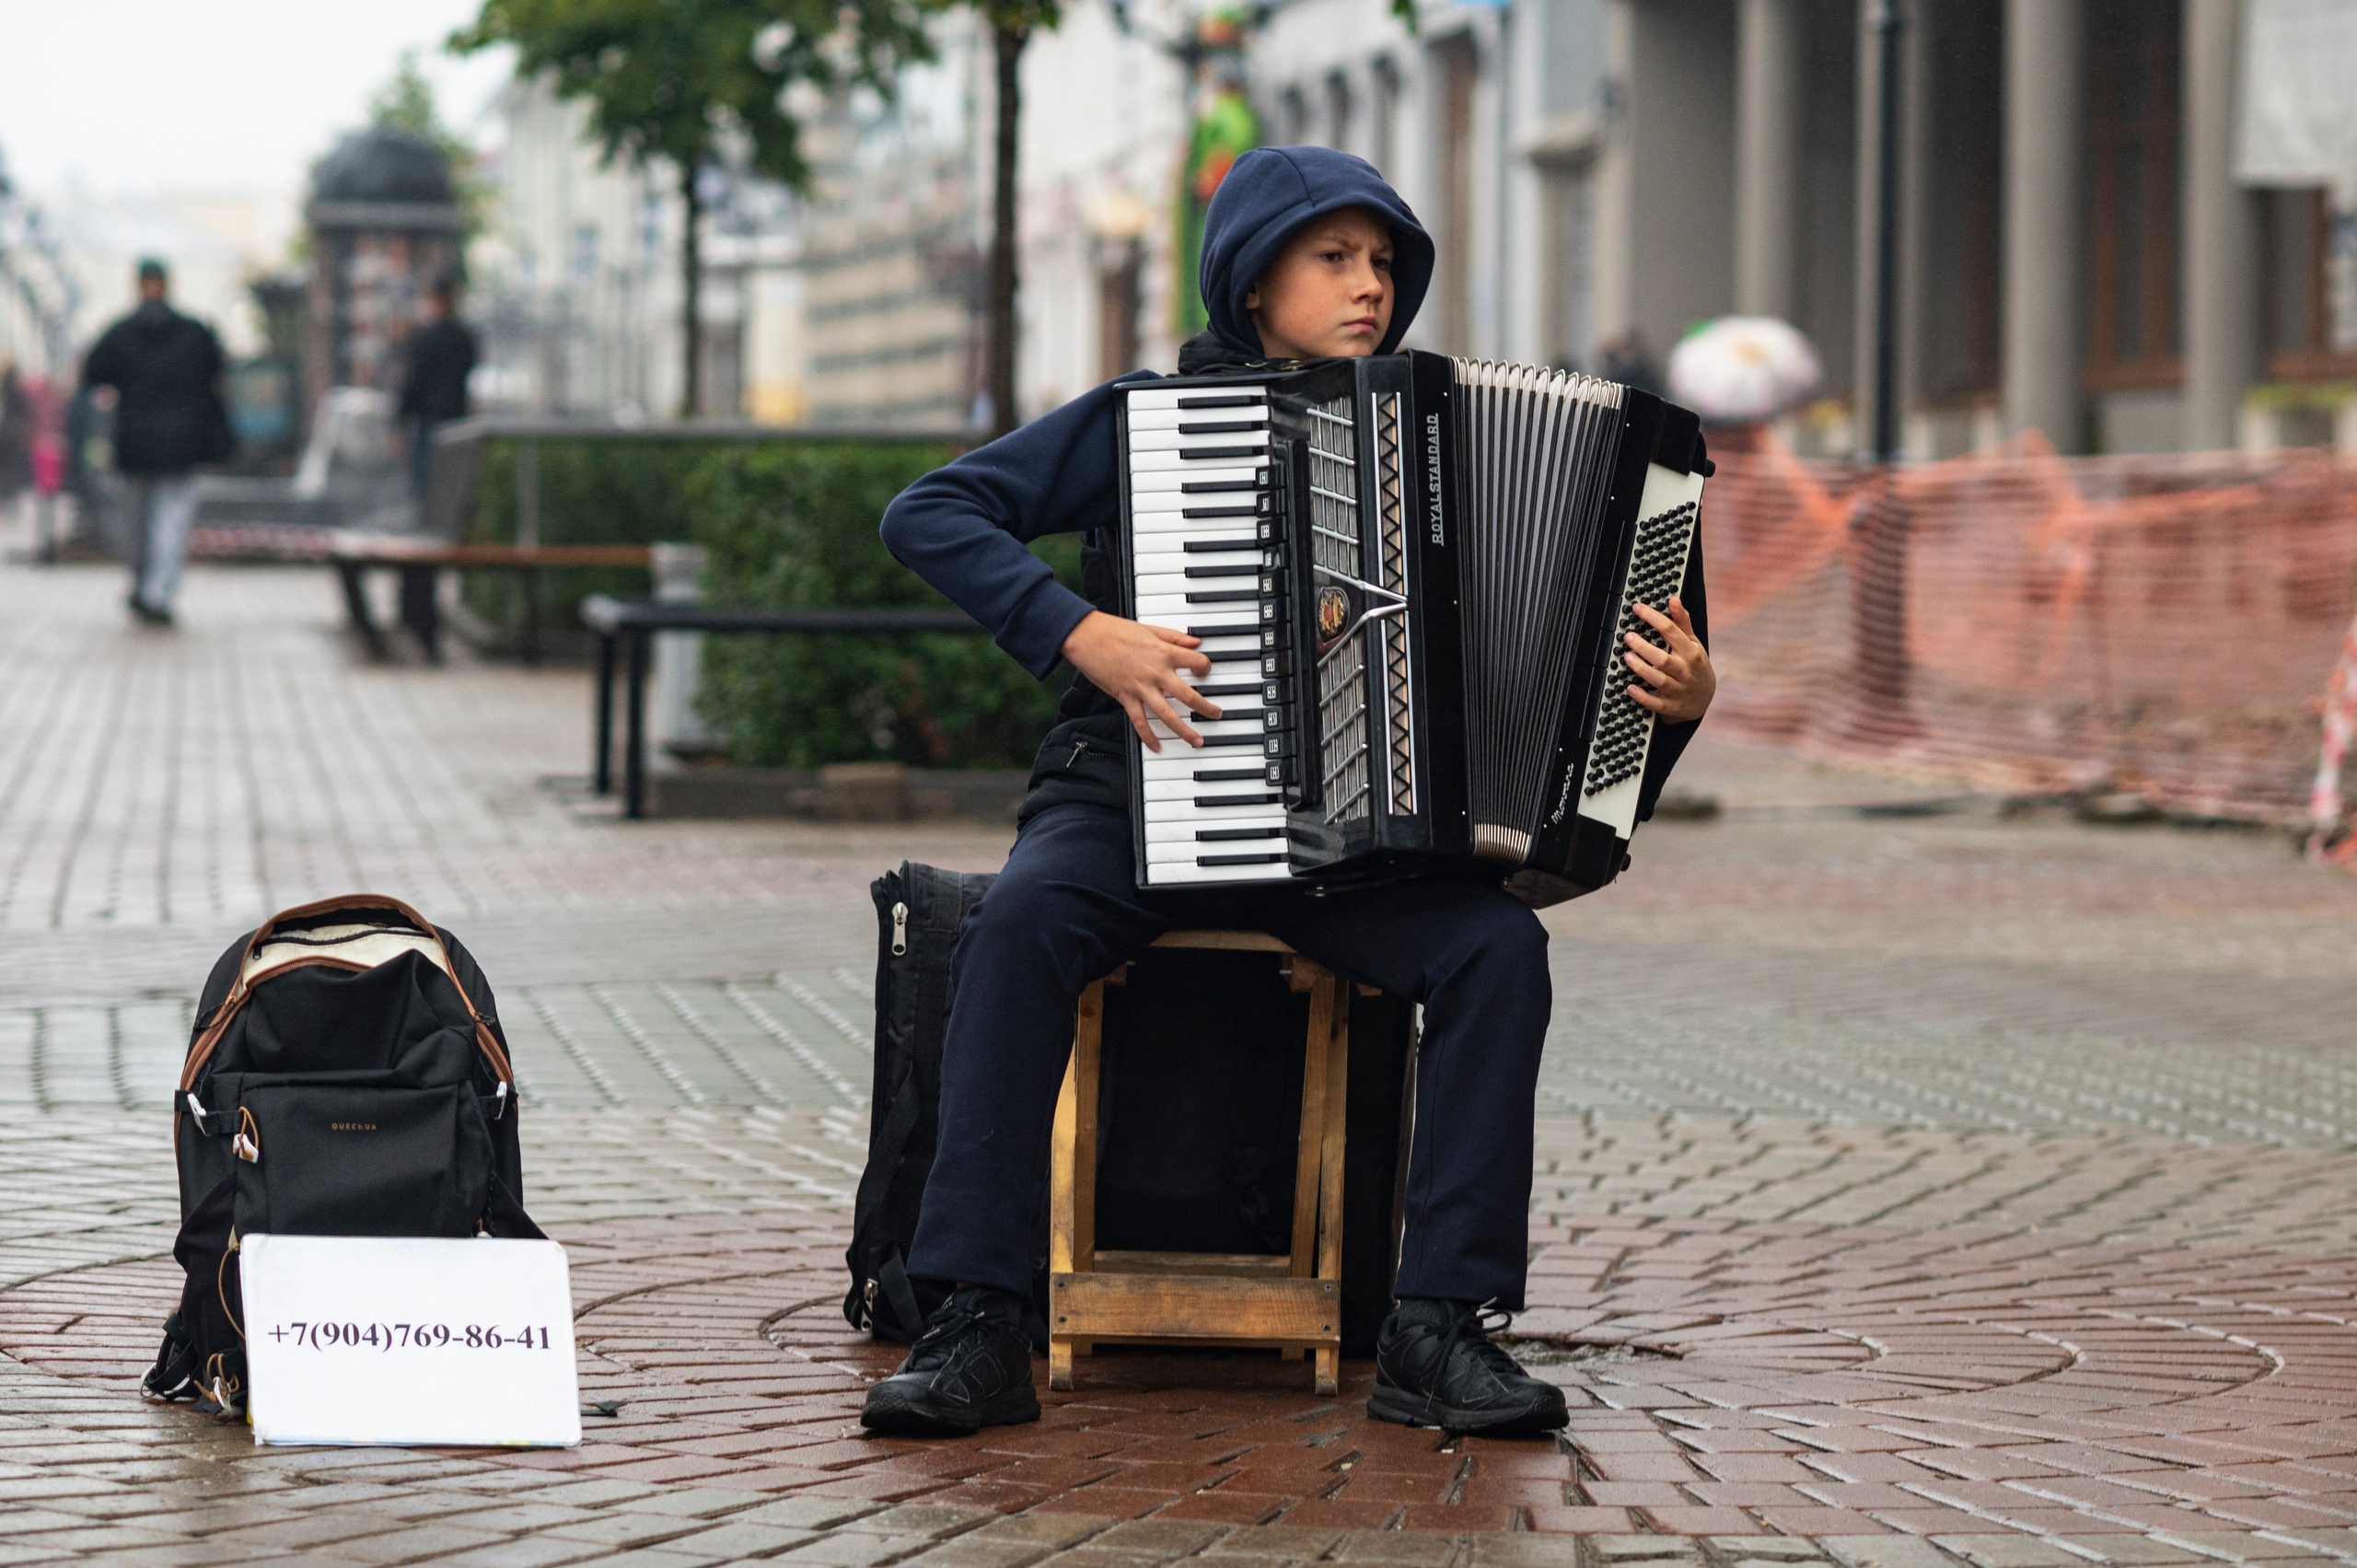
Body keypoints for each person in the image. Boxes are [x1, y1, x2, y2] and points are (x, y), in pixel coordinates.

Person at [858, 147, 1716, 1440]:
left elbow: (1592, 680)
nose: (1370, 286)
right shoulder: (1145, 416)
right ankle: (978, 1317)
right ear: (1256, 284)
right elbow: (931, 512)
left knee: (1499, 951)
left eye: (1385, 263)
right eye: (1336, 259)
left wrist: (1681, 705)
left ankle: (1438, 1324)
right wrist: (1081, 630)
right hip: (1132, 796)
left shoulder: (1433, 430)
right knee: (1021, 922)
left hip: (1346, 846)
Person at [80, 259, 228, 625]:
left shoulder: (119, 332)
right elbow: (217, 380)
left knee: (137, 521)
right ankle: (158, 590)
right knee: (171, 521)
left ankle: (143, 583)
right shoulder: (195, 332)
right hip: (181, 444)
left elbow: (92, 374)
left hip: (134, 442)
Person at [398, 274, 476, 504]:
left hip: (429, 419)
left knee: (426, 484)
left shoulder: (425, 338)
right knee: (451, 485)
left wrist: (401, 419)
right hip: (456, 416)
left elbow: (414, 381)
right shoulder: (464, 338)